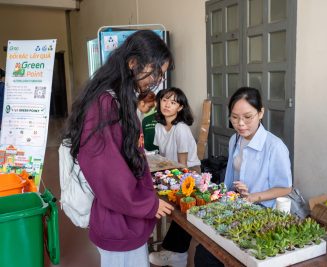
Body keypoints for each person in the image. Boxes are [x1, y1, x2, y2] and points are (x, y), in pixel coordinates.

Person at [62, 30, 175, 267]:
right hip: (118, 220)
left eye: (161, 75)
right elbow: (108, 171)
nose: (156, 81)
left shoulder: (117, 98)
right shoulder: (105, 103)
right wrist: (148, 204)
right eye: (155, 72)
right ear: (133, 63)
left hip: (122, 217)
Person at [194, 87, 293, 266]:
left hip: (263, 214)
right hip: (237, 207)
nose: (240, 123)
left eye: (248, 117)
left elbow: (285, 188)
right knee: (205, 252)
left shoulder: (274, 146)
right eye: (234, 117)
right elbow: (232, 179)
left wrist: (254, 196)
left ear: (260, 113)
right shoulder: (235, 140)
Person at [149, 87, 201, 267]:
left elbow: (183, 165)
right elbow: (162, 155)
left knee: (181, 213)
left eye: (173, 102)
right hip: (170, 171)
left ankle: (176, 255)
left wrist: (171, 182)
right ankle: (171, 251)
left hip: (188, 173)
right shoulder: (158, 126)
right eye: (164, 100)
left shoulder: (181, 129)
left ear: (180, 108)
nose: (167, 105)